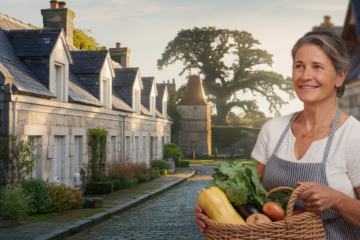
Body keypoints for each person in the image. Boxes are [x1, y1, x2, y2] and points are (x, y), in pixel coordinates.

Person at [195, 31, 360, 239]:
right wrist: (210, 207)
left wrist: (337, 200)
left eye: (317, 66)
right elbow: (250, 201)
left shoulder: (353, 136)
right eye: (299, 65)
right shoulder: (273, 129)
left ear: (340, 76)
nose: (305, 75)